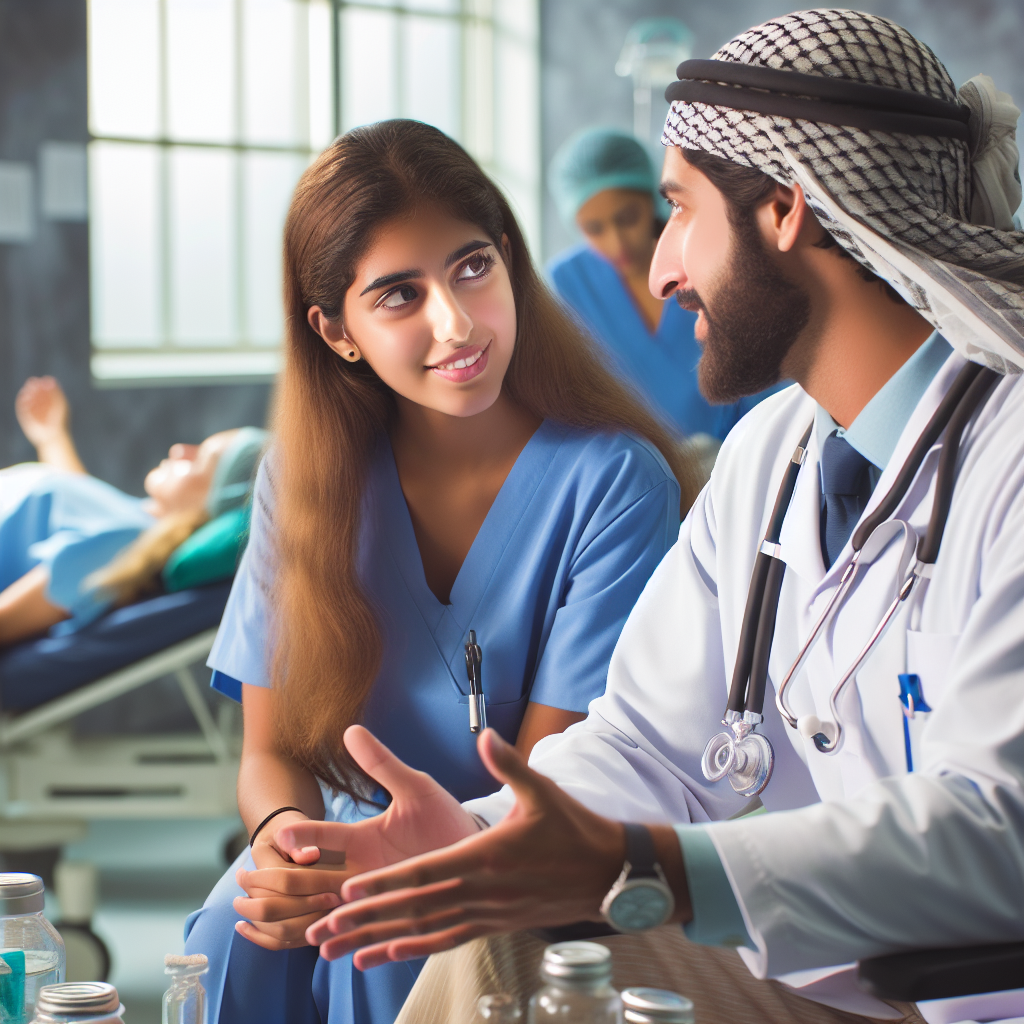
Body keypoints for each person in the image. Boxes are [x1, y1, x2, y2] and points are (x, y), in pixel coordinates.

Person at [273, 11, 1024, 1024]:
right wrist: (474, 834)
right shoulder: (771, 453)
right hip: (849, 984)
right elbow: (641, 747)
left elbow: (1003, 829)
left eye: (678, 211)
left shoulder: (1011, 454)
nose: (661, 270)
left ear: (786, 211)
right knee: (511, 946)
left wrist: (651, 866)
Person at [181, 119, 698, 1024]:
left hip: (511, 855)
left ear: (509, 260)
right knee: (233, 931)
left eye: (472, 268)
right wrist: (280, 845)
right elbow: (268, 755)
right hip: (334, 847)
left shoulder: (615, 485)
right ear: (336, 331)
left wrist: (395, 861)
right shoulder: (299, 482)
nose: (456, 323)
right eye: (398, 295)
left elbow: (550, 783)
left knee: (391, 940)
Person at [547, 127, 779, 449]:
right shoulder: (568, 284)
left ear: (655, 198)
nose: (617, 242)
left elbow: (765, 377)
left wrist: (740, 454)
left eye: (627, 218)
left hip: (737, 455)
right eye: (594, 229)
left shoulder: (704, 257)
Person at [0, 375, 267, 645]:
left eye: (198, 460)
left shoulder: (127, 544)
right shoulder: (132, 523)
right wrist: (52, 438)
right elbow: (82, 502)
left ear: (211, 507)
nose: (179, 451)